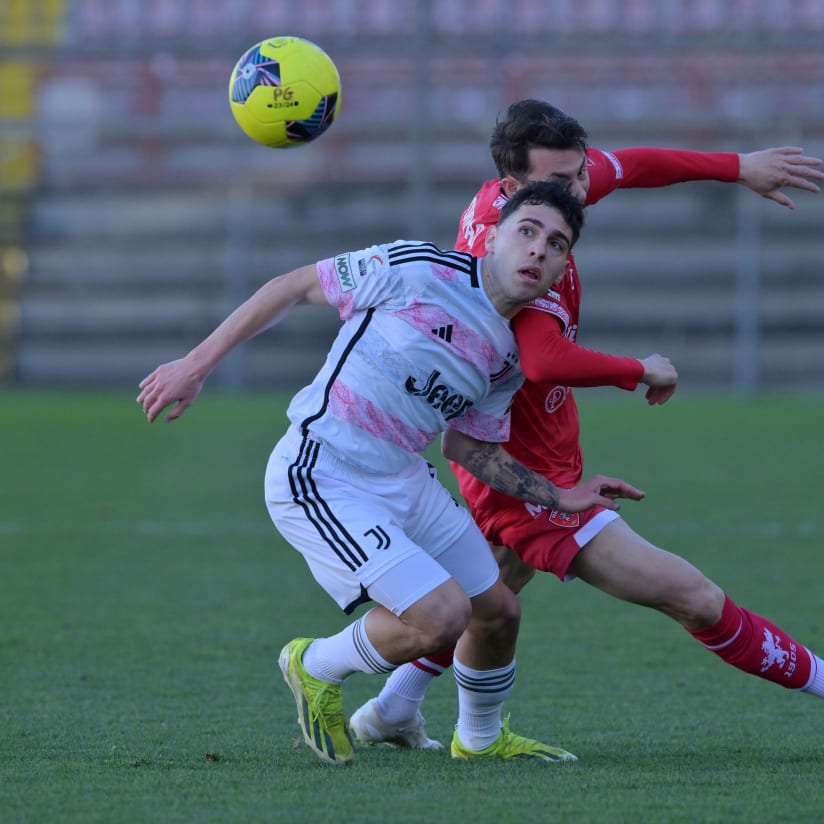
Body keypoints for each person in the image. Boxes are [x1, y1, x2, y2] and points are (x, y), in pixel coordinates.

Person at [349, 99, 824, 754]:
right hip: (514, 466)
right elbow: (543, 359)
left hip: (537, 446)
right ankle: (332, 669)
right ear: (513, 194)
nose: (581, 188)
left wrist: (738, 165)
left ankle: (393, 711)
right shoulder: (515, 253)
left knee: (494, 588)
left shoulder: (546, 197)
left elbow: (632, 165)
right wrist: (641, 369)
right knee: (693, 596)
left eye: (578, 174)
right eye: (565, 180)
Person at [137, 181, 650, 766]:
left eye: (555, 244)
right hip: (322, 470)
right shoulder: (419, 268)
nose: (537, 250)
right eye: (526, 231)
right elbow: (294, 286)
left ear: (563, 267)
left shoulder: (508, 353)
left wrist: (561, 494)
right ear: (494, 237)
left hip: (403, 478)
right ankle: (314, 665)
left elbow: (468, 445)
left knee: (498, 610)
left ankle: (478, 741)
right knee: (441, 618)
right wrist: (194, 365)